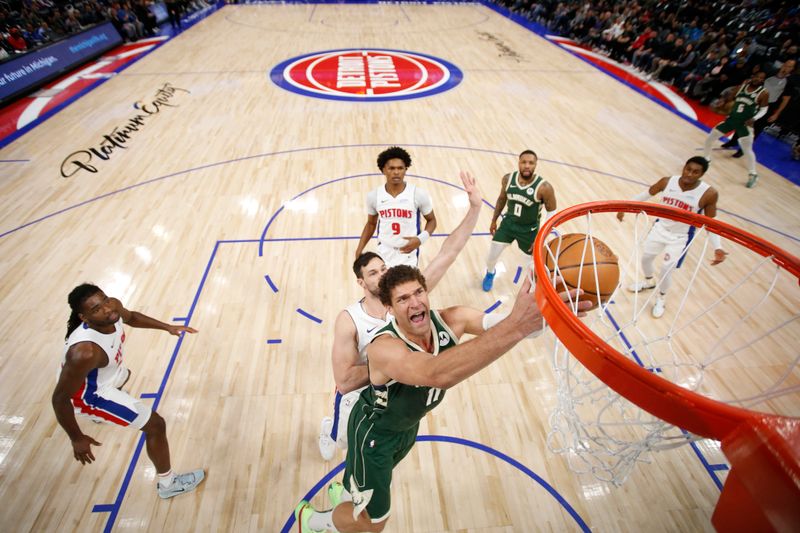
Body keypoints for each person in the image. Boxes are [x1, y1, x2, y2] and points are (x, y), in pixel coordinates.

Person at [296, 267, 590, 532]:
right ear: (389, 308)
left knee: (364, 489)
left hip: (406, 428)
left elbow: (510, 327)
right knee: (373, 522)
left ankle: (348, 495)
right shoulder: (384, 348)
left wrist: (550, 312)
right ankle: (313, 522)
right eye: (402, 299)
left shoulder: (452, 319)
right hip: (373, 434)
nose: (415, 303)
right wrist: (518, 324)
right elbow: (435, 373)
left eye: (419, 292)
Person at [318, 171, 482, 460]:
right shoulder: (349, 319)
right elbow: (344, 381)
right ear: (361, 282)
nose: (381, 275)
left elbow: (449, 252)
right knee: (342, 442)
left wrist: (475, 209)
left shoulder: (404, 300)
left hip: (395, 394)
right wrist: (389, 364)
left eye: (383, 269)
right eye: (373, 273)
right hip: (359, 395)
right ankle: (329, 428)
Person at [52, 284, 205, 499]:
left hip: (107, 375)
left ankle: (105, 411)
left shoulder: (113, 308)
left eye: (105, 300)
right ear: (84, 317)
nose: (106, 309)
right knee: (155, 425)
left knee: (126, 374)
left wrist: (167, 327)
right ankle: (168, 484)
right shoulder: (85, 352)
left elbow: (131, 317)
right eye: (96, 309)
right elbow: (59, 399)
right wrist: (76, 438)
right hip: (89, 396)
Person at [617, 157, 727, 319]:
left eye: (695, 172)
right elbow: (645, 195)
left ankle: (661, 297)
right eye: (688, 169)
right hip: (660, 228)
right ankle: (649, 282)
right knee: (646, 258)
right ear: (684, 167)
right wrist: (624, 207)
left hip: (681, 237)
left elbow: (711, 223)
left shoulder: (709, 194)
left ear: (702, 174)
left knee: (666, 269)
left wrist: (718, 247)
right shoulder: (667, 182)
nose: (689, 174)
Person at [482, 149, 557, 291]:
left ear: (535, 165)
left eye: (531, 163)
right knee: (491, 255)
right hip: (508, 225)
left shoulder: (544, 187)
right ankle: (490, 273)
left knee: (532, 264)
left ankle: (532, 288)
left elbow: (552, 212)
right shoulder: (508, 179)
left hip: (529, 231)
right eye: (524, 162)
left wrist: (541, 237)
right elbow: (501, 199)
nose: (527, 166)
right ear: (519, 163)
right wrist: (494, 220)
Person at [354, 147, 437, 268]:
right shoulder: (374, 196)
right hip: (383, 252)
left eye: (400, 168)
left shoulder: (418, 194)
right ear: (383, 170)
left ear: (405, 169)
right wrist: (359, 249)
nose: (396, 172)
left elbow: (432, 220)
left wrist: (420, 239)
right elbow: (371, 224)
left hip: (408, 253)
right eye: (391, 168)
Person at [702, 71, 769, 188]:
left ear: (763, 80)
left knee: (747, 149)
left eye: (760, 78)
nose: (757, 79)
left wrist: (754, 118)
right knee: (711, 137)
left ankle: (753, 174)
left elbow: (764, 110)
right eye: (756, 76)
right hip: (732, 119)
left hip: (745, 124)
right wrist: (722, 102)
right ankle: (706, 158)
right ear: (752, 76)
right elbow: (730, 97)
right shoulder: (741, 87)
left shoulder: (763, 93)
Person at [722, 59, 796, 157]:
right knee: (742, 122)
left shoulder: (790, 82)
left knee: (755, 129)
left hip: (768, 106)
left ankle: (743, 149)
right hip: (755, 101)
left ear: (792, 69)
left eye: (789, 66)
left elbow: (785, 100)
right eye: (786, 65)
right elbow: (755, 82)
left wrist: (776, 113)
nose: (786, 67)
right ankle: (733, 141)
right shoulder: (770, 73)